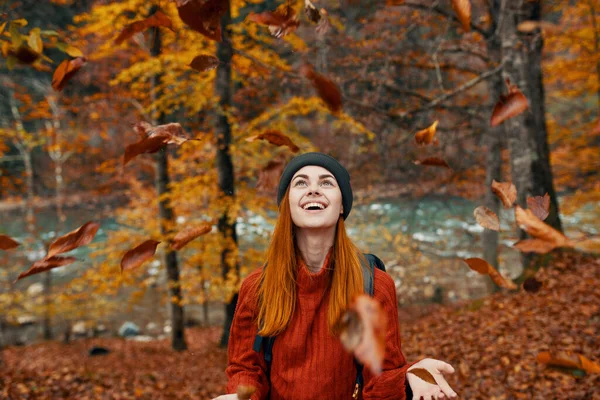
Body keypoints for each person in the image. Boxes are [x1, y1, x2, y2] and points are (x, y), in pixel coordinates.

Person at [213, 152, 458, 400]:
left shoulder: (374, 286)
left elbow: (380, 379)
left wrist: (407, 375)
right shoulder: (257, 287)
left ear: (342, 205)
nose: (313, 190)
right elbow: (246, 370)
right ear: (287, 203)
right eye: (300, 183)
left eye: (326, 182)